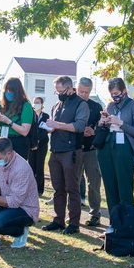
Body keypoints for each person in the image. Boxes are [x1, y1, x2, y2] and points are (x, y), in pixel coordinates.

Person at [43, 75, 89, 234]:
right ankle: (58, 220)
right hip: (55, 150)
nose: (59, 93)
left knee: (72, 188)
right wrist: (51, 126)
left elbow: (80, 126)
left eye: (61, 91)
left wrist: (58, 125)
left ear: (70, 89)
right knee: (58, 188)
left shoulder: (81, 104)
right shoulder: (56, 105)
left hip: (71, 151)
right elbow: (56, 124)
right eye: (57, 91)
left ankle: (74, 223)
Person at [97, 78, 134, 214]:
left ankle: (126, 220)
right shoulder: (110, 106)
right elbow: (105, 127)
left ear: (124, 91)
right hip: (108, 146)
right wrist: (102, 122)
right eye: (112, 94)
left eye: (117, 93)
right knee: (110, 185)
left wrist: (120, 123)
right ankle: (114, 221)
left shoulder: (133, 105)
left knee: (124, 185)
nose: (115, 96)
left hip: (124, 146)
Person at [74, 78, 104, 226]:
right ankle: (73, 214)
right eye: (81, 91)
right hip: (74, 148)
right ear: (76, 89)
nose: (83, 95)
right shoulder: (70, 104)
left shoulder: (96, 106)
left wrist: (94, 131)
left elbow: (103, 127)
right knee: (73, 183)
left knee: (94, 184)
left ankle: (95, 214)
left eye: (86, 92)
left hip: (91, 149)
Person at [0, 77, 34, 162]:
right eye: (6, 91)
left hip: (18, 143)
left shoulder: (25, 105)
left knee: (15, 170)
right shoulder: (0, 105)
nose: (8, 93)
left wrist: (8, 121)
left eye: (11, 91)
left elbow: (25, 131)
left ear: (18, 92)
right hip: (1, 140)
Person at [30, 96, 50, 195]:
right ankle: (31, 189)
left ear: (42, 104)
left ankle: (39, 189)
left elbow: (45, 130)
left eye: (37, 102)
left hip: (42, 144)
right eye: (34, 102)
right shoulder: (31, 115)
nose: (35, 104)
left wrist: (38, 139)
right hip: (31, 144)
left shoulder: (45, 116)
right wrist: (33, 141)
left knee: (39, 167)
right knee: (31, 166)